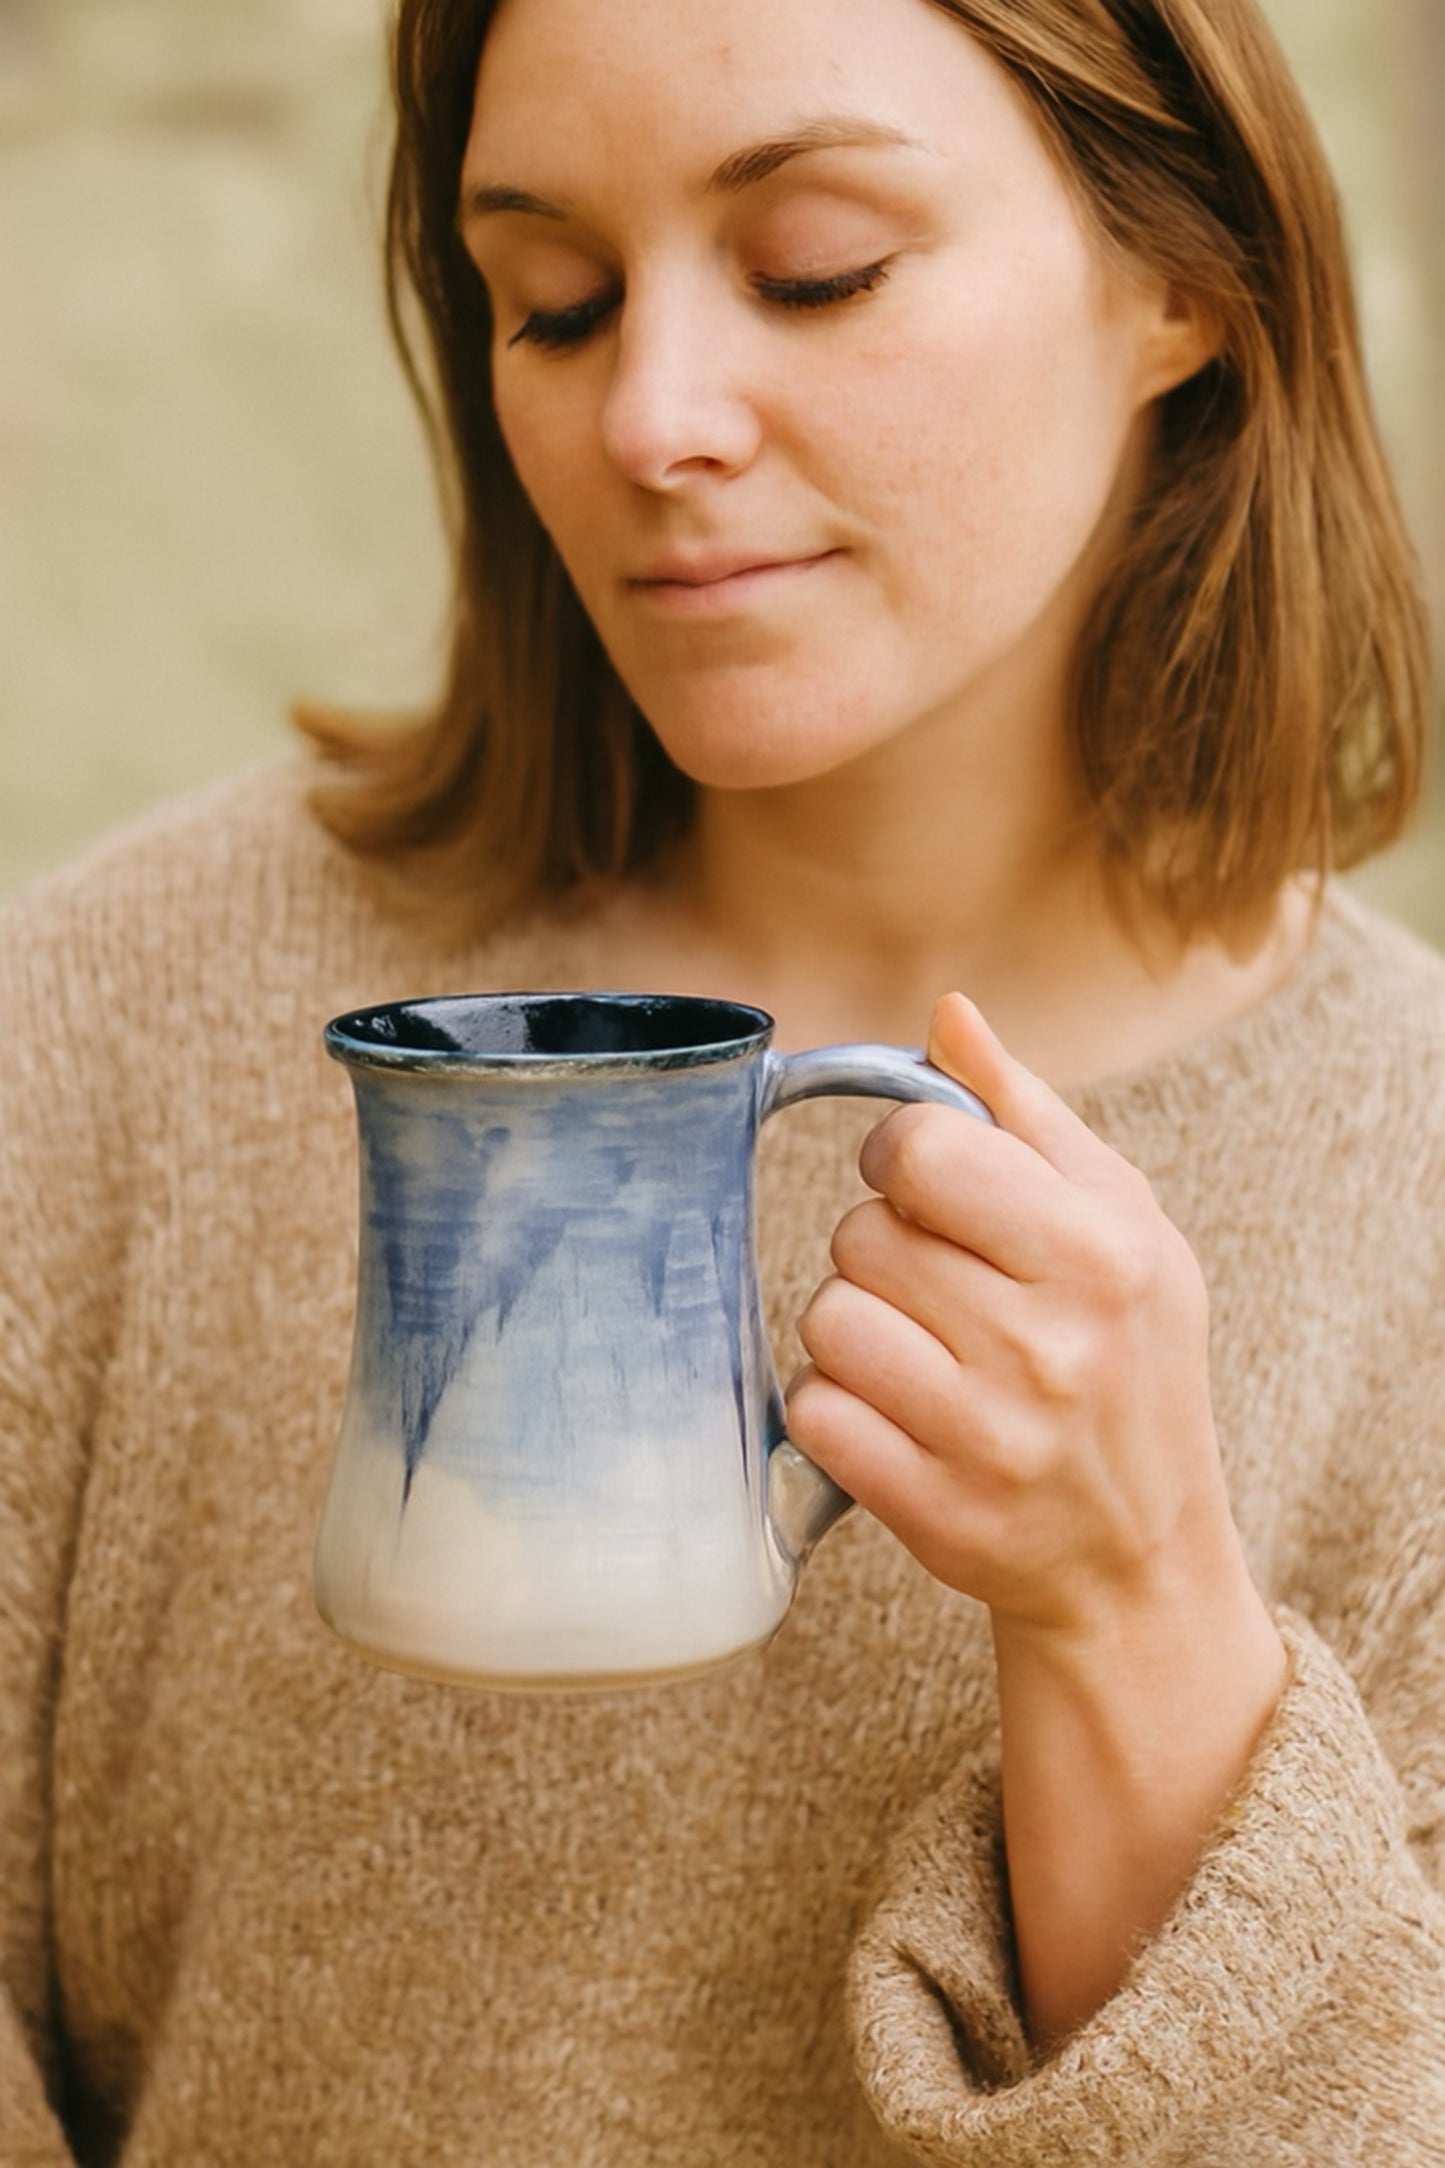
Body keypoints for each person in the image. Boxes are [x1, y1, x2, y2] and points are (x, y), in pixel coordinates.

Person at [2, 0, 1441, 2158]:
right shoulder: (110, 1024)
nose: (648, 417)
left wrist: (1138, 1607)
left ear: (1186, 284)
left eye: (817, 267)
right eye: (552, 302)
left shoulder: (1409, 1191)